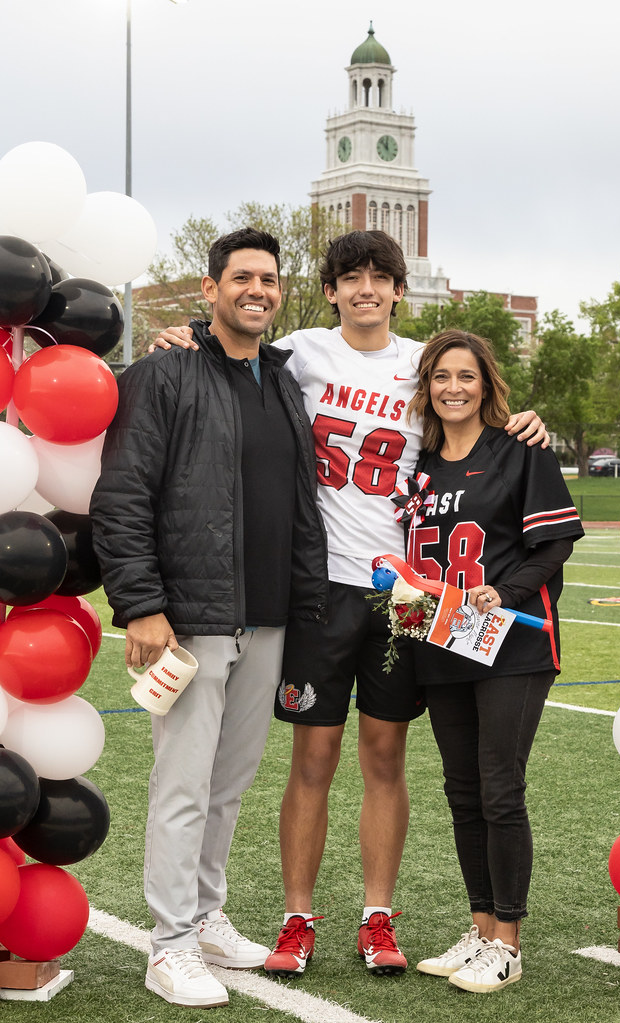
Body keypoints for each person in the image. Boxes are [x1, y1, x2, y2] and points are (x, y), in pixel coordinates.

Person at [152, 230, 548, 979]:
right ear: (330, 289)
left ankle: (376, 916)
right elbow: (225, 348)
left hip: (402, 593)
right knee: (312, 757)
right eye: (350, 277)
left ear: (400, 290)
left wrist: (521, 421)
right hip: (318, 584)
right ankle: (297, 917)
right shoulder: (298, 350)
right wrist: (177, 333)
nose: (365, 288)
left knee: (384, 756)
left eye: (380, 277)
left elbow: (473, 412)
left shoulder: (424, 362)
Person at [90, 228, 328, 1008]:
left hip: (266, 616)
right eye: (241, 279)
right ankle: (168, 945)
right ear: (209, 287)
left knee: (228, 785)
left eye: (268, 279)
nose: (256, 290)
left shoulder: (283, 383)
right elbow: (122, 495)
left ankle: (204, 913)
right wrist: (142, 605)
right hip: (189, 615)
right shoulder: (163, 373)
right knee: (183, 785)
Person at [402, 329, 583, 992]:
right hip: (441, 638)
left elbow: (553, 547)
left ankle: (507, 939)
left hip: (511, 642)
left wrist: (501, 592)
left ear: (486, 385)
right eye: (441, 376)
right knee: (461, 791)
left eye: (466, 376)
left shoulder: (519, 448)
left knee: (499, 787)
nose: (453, 387)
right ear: (426, 387)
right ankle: (479, 928)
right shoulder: (415, 462)